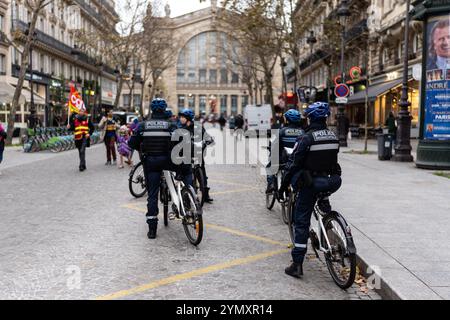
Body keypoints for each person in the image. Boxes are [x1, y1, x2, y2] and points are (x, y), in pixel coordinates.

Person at [279, 102, 342, 278]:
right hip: (332, 181)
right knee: (323, 205)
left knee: (301, 220)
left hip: (312, 183)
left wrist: (283, 186)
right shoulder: (334, 136)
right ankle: (330, 224)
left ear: (311, 118)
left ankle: (297, 264)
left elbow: (293, 165)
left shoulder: (307, 138)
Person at [129, 98, 181, 239]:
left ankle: (152, 230)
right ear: (164, 110)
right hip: (168, 161)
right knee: (180, 176)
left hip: (150, 162)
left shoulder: (142, 125)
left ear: (152, 110)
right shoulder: (171, 125)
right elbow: (181, 141)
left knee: (152, 195)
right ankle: (182, 199)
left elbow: (132, 143)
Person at [179, 108, 215, 203]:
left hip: (197, 154)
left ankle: (205, 194)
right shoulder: (180, 128)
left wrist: (209, 140)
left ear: (188, 118)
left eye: (183, 117)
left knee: (202, 173)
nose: (181, 119)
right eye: (181, 117)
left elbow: (206, 136)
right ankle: (186, 193)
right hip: (186, 155)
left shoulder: (198, 126)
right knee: (184, 173)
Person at [266, 109, 305, 193]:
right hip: (298, 160)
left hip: (283, 160)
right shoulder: (303, 132)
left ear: (287, 119)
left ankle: (271, 184)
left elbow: (273, 143)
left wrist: (271, 149)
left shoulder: (281, 131)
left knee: (270, 166)